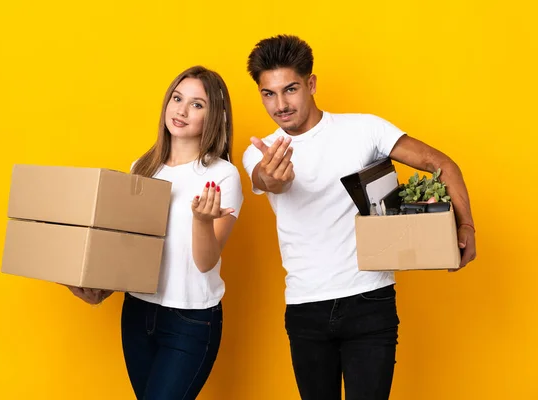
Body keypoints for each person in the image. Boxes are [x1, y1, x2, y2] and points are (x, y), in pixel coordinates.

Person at [242, 35, 476, 400]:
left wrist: (465, 227)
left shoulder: (365, 129)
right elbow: (267, 179)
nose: (281, 105)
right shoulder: (262, 152)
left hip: (370, 301)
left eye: (290, 89)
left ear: (312, 83)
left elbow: (442, 163)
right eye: (268, 94)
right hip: (305, 307)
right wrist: (273, 177)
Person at [69, 65, 243, 400]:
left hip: (191, 321)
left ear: (215, 116)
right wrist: (102, 289)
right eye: (177, 98)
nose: (181, 110)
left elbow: (206, 262)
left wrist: (202, 221)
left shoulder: (222, 176)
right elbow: (130, 248)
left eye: (197, 104)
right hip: (137, 312)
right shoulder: (143, 167)